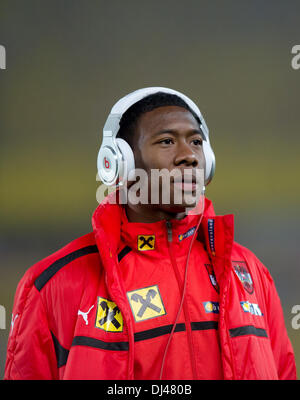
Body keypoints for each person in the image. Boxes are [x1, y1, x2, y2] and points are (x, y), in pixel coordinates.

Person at [4, 87, 297, 380]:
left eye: (196, 142)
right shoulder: (53, 285)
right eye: (167, 141)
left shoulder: (249, 272)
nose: (189, 156)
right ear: (120, 163)